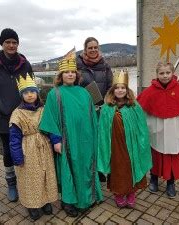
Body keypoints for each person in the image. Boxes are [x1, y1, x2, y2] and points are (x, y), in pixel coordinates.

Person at [39, 55, 103, 217]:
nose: (70, 75)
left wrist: (95, 137)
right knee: (69, 170)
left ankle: (87, 198)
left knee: (85, 167)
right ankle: (69, 202)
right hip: (67, 141)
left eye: (72, 72)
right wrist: (56, 140)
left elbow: (92, 116)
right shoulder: (55, 94)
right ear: (60, 76)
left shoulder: (84, 92)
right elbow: (51, 118)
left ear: (77, 75)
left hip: (86, 140)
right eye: (66, 72)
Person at [0, 28, 33, 202]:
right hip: (4, 119)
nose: (11, 45)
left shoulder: (25, 63)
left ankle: (27, 183)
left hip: (25, 117)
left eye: (14, 42)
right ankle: (11, 183)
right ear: (2, 44)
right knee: (9, 152)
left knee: (27, 150)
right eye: (8, 42)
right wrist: (0, 107)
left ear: (18, 44)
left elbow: (32, 88)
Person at [97, 70, 152, 208]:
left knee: (131, 167)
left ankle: (131, 193)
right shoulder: (107, 108)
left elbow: (142, 127)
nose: (120, 90)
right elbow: (102, 131)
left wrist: (142, 143)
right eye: (117, 88)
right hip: (114, 146)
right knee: (118, 169)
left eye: (123, 88)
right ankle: (119, 194)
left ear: (127, 90)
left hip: (131, 146)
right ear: (112, 91)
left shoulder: (134, 106)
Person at [137, 62, 179, 198]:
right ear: (157, 74)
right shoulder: (149, 91)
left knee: (172, 155)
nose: (165, 76)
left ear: (172, 73)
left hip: (173, 129)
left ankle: (170, 183)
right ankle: (154, 178)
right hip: (156, 129)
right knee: (155, 154)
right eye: (162, 73)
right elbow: (140, 108)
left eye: (168, 73)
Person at [9, 75, 58, 221]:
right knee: (30, 178)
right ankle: (32, 205)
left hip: (44, 147)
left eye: (32, 91)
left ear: (37, 93)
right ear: (21, 95)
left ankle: (46, 201)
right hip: (28, 150)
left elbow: (51, 127)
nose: (30, 95)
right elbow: (14, 138)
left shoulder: (43, 109)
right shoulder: (17, 114)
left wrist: (56, 141)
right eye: (26, 92)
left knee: (45, 175)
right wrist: (17, 156)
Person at [77, 37, 113, 182]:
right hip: (84, 110)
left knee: (101, 140)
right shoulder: (77, 66)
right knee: (88, 140)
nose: (93, 50)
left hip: (102, 109)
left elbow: (111, 86)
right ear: (85, 49)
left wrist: (108, 99)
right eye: (90, 48)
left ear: (98, 48)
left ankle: (100, 169)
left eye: (95, 47)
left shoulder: (105, 66)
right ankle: (91, 169)